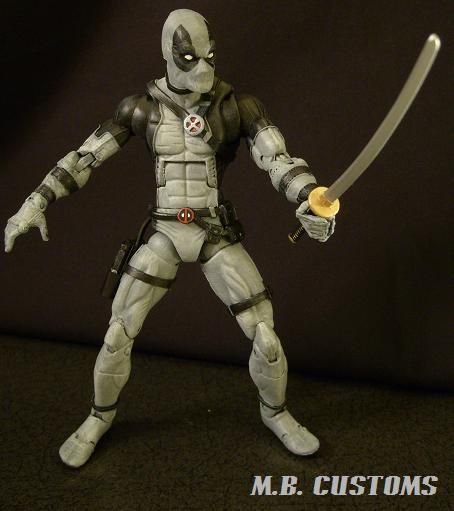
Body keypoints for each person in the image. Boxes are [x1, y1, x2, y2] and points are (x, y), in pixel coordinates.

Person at [4, 9, 335, 468]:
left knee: (266, 338)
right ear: (167, 54)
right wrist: (35, 201)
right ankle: (99, 416)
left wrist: (311, 198)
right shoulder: (140, 109)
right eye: (189, 58)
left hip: (213, 231)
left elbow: (278, 160)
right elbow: (84, 157)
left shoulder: (238, 107)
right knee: (118, 333)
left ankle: (276, 412)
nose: (203, 69)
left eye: (210, 57)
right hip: (164, 232)